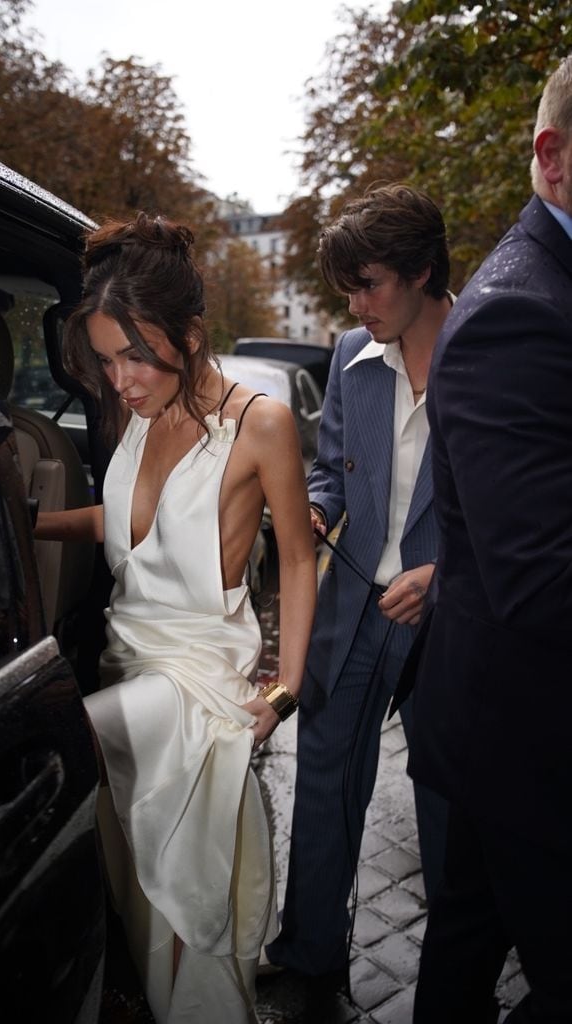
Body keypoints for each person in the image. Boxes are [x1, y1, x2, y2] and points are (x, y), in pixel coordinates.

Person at [35, 212, 317, 1024]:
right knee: (153, 908)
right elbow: (126, 522)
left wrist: (287, 689)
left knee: (60, 745)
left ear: (189, 334)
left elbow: (298, 558)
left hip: (194, 687)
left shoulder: (259, 423)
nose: (120, 379)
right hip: (126, 657)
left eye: (135, 356)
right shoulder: (138, 416)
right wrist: (27, 523)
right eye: (107, 359)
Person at [405, 56, 572, 1024]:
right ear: (551, 158)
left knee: (465, 939)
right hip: (530, 732)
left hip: (497, 716)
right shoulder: (518, 310)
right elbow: (543, 580)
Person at [264, 184, 451, 1009]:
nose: (354, 303)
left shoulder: (489, 347)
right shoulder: (347, 356)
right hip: (352, 608)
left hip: (448, 621)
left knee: (447, 805)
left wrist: (447, 576)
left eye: (367, 283)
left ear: (420, 272)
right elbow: (328, 469)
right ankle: (307, 952)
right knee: (322, 779)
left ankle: (456, 975)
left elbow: (527, 503)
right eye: (347, 287)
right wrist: (310, 509)